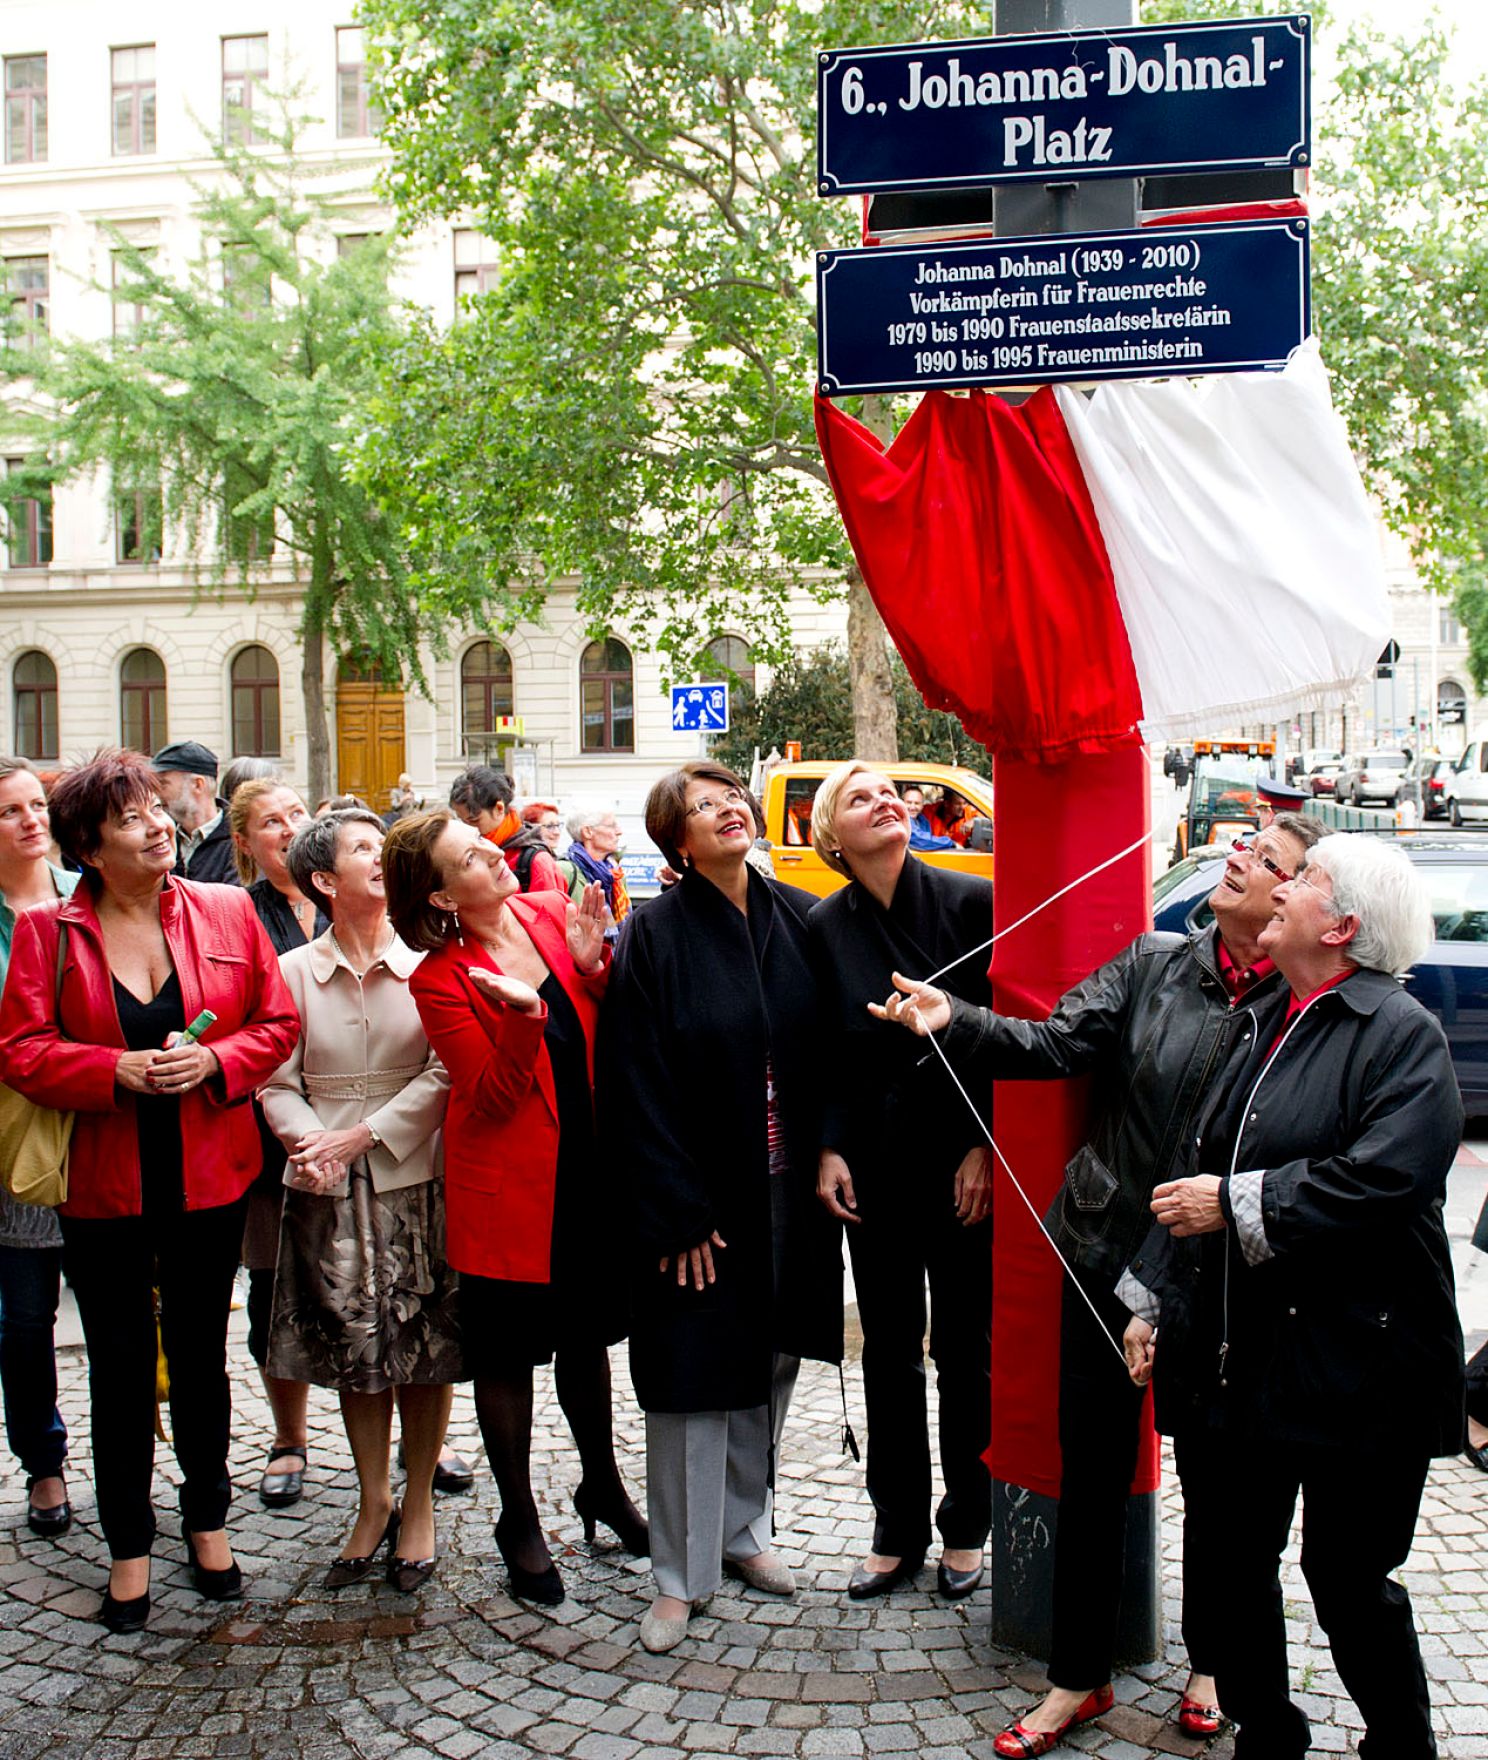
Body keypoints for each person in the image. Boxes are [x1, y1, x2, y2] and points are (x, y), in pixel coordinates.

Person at [870, 811, 1322, 1754]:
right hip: (1104, 1256)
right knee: (1091, 1473)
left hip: (1222, 1283)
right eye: (1240, 847)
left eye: (1266, 858)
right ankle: (1077, 1678)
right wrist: (955, 1018)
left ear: (1298, 897)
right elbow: (1054, 1046)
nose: (1238, 858)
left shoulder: (1303, 1003)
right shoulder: (1157, 960)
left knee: (1218, 1484)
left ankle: (1211, 1662)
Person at [1134, 834, 1462, 1760]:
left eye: (1305, 878)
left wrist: (1239, 1202)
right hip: (1243, 1362)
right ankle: (1268, 1739)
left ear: (1344, 924)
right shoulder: (1270, 1012)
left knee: (1348, 1579)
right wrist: (1151, 1299)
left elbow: (1382, 1181)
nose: (1284, 883)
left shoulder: (1401, 1031)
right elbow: (1196, 1166)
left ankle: (1401, 1746)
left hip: (1366, 1367)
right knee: (1234, 1573)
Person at [0, 749, 298, 1632]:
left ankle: (208, 1523)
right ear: (89, 846)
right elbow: (20, 1049)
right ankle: (128, 1544)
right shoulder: (51, 935)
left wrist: (215, 1057)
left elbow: (276, 1023)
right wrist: (111, 1069)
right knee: (121, 1369)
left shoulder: (228, 908)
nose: (158, 825)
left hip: (211, 1178)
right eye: (131, 818)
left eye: (157, 811)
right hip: (102, 1189)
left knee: (202, 1361)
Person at [599, 762, 842, 1654]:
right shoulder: (654, 935)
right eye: (704, 806)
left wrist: (830, 1150)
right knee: (693, 1380)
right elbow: (635, 1081)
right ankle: (679, 1574)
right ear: (678, 841)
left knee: (769, 1361)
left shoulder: (793, 917)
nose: (728, 809)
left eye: (730, 795)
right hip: (699, 1200)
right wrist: (677, 1211)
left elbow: (827, 1054)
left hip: (784, 1189)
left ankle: (745, 1531)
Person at [383, 810, 644, 1607]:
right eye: (471, 856)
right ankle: (518, 1521)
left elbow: (605, 1011)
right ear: (441, 895)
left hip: (587, 1168)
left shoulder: (542, 909)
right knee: (506, 1358)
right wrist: (524, 1014)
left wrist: (593, 967)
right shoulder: (437, 979)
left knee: (587, 1338)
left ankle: (602, 1484)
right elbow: (492, 1099)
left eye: (487, 844)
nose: (494, 856)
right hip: (506, 1189)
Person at [806, 761, 994, 1605]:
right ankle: (896, 1528)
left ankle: (966, 1525)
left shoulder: (969, 903)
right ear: (831, 837)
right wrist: (830, 1146)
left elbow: (1003, 1037)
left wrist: (984, 1149)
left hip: (958, 1164)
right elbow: (827, 1057)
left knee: (963, 1351)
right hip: (875, 1168)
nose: (884, 799)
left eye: (889, 791)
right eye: (859, 797)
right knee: (887, 1352)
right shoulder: (825, 926)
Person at [261, 810, 461, 1593]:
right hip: (323, 1184)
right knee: (351, 1352)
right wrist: (312, 1144)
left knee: (425, 1348)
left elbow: (447, 1071)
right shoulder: (288, 973)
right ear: (323, 880)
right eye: (361, 851)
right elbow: (274, 1082)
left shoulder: (431, 962)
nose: (380, 860)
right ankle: (371, 1499)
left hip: (416, 1175)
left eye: (383, 848)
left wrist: (364, 1136)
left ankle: (418, 1505)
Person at [229, 778, 324, 1508]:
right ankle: (289, 1437)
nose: (288, 829)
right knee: (272, 1290)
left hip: (365, 1122)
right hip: (271, 1136)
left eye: (297, 813)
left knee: (388, 1279)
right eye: (270, 822)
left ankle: (414, 1434)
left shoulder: (346, 895)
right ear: (246, 843)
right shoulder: (238, 915)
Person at [0, 758, 79, 1539]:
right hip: (15, 1140)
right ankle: (44, 1461)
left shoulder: (81, 896)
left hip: (97, 1128)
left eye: (36, 805)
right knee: (25, 1319)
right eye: (10, 811)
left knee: (126, 1309)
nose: (31, 821)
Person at [449, 766, 564, 894]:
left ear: (499, 808)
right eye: (461, 820)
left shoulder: (536, 861)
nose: (467, 828)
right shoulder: (470, 854)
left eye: (474, 820)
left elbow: (550, 911)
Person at [152, 741, 238, 885]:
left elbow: (232, 903)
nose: (156, 794)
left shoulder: (241, 840)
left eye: (163, 784)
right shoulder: (160, 838)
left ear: (198, 785)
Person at [564, 806, 630, 935]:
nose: (619, 831)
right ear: (588, 832)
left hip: (615, 954)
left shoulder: (615, 874)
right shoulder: (566, 871)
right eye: (612, 826)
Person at [521, 801, 581, 896]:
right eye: (550, 826)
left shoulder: (554, 859)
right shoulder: (532, 860)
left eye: (558, 826)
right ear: (531, 828)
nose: (557, 832)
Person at [900, 785, 956, 853]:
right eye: (909, 802)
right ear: (902, 803)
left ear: (922, 805)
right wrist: (951, 842)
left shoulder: (922, 820)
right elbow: (921, 841)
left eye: (917, 803)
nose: (912, 807)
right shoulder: (901, 820)